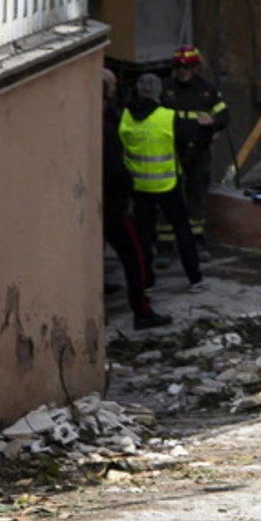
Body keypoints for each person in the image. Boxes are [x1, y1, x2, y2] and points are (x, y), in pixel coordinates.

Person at [117, 72, 204, 292]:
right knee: (182, 229)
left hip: (139, 186)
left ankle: (147, 281)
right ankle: (194, 278)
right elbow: (187, 142)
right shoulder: (168, 116)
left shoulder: (126, 115)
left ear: (138, 90)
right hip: (167, 184)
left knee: (143, 235)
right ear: (159, 93)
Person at [101, 68, 167, 329]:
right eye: (113, 88)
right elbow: (116, 168)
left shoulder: (101, 122)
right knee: (134, 256)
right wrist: (127, 185)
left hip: (97, 202)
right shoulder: (107, 128)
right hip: (113, 204)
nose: (116, 92)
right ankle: (142, 311)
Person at [163, 45, 229, 244]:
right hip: (171, 152)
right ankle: (165, 242)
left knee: (197, 196)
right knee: (169, 196)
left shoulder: (207, 90)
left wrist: (213, 122)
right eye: (179, 66)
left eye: (187, 66)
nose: (182, 70)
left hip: (199, 152)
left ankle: (196, 239)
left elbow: (224, 116)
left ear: (196, 67)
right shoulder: (166, 89)